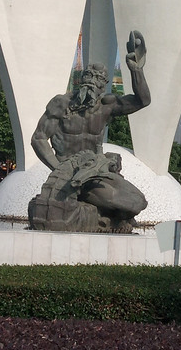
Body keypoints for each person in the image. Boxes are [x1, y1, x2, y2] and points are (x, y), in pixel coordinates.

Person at [29, 31, 150, 230]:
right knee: (116, 201)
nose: (92, 84)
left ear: (103, 87)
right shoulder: (62, 103)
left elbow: (142, 101)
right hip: (69, 174)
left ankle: (115, 219)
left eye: (98, 81)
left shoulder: (106, 106)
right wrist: (59, 169)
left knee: (137, 202)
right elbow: (39, 138)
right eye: (89, 79)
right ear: (81, 81)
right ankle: (111, 219)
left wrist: (136, 70)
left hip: (96, 174)